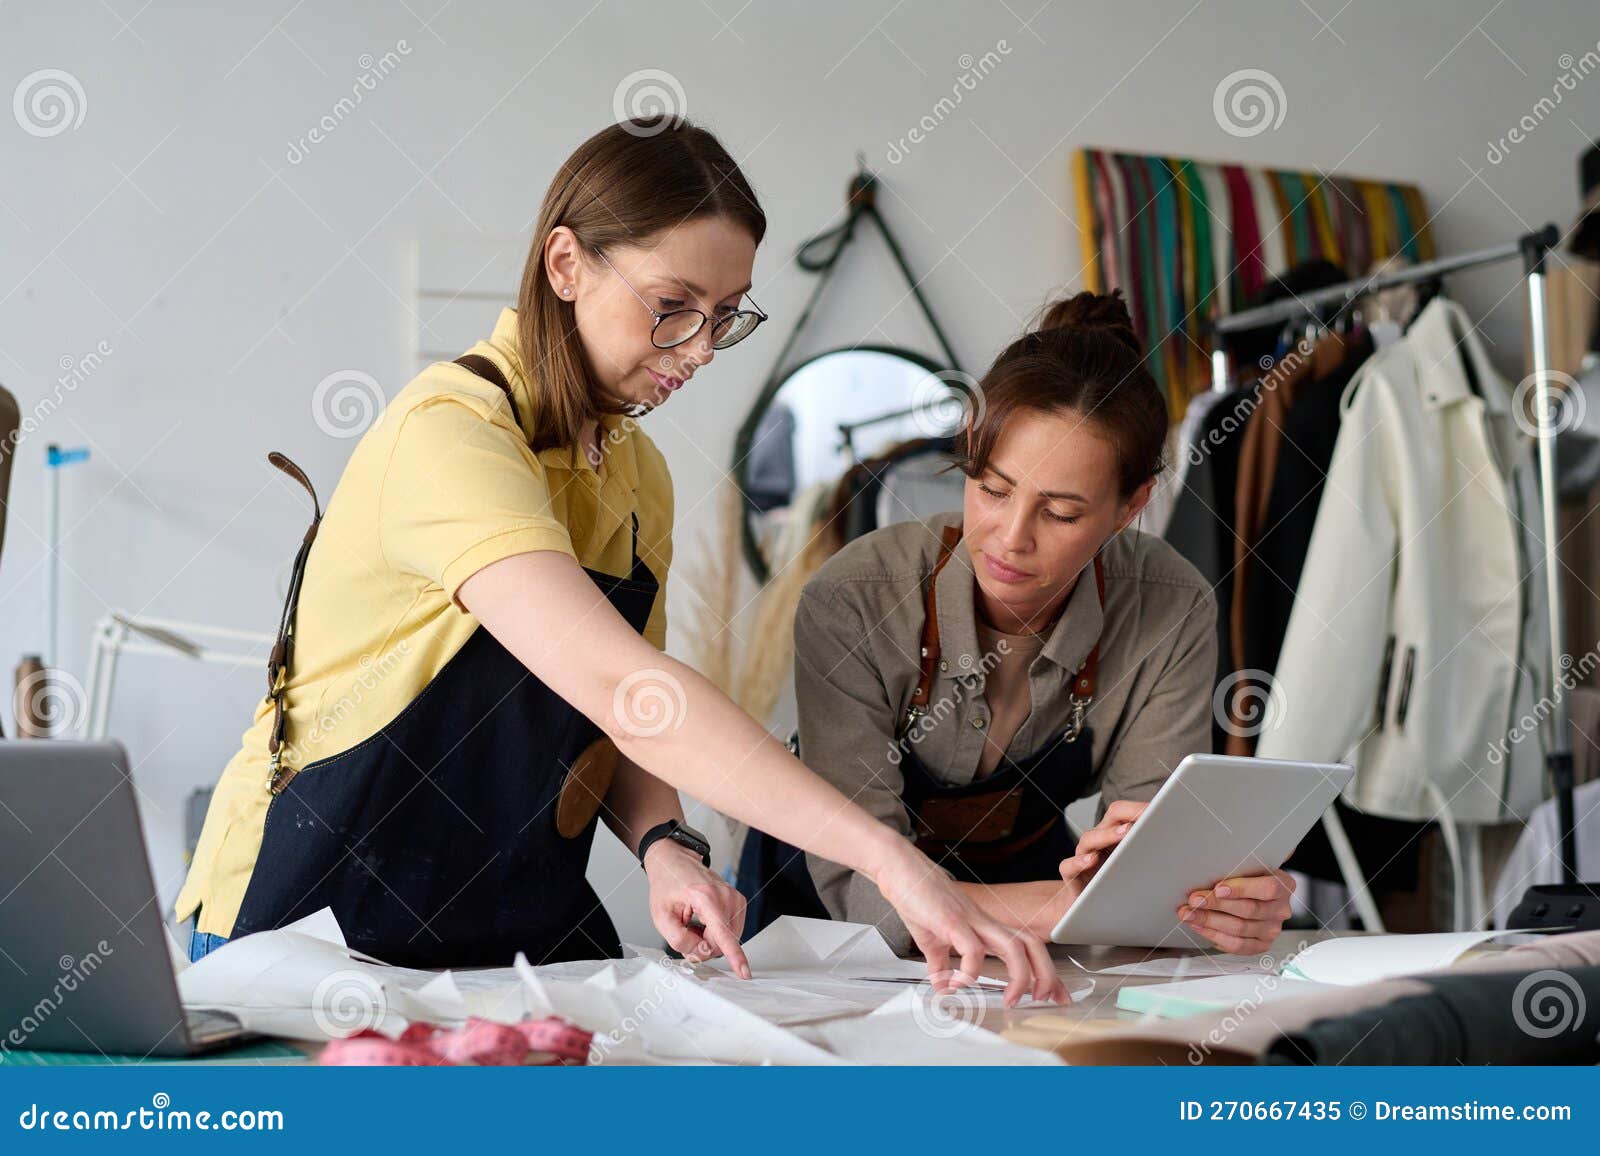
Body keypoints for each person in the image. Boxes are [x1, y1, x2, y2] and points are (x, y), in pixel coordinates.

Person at [174, 117, 1062, 1006]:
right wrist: (894, 862)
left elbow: (619, 718)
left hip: (498, 930)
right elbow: (625, 689)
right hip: (317, 926)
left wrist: (665, 845)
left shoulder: (638, 474)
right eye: (672, 306)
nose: (703, 348)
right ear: (566, 265)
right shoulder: (449, 435)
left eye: (724, 317)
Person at [795, 290, 1296, 956]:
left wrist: (1212, 904)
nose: (1010, 538)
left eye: (1061, 514)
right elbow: (861, 898)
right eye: (992, 490)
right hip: (814, 936)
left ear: (1131, 506)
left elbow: (1148, 867)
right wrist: (1077, 907)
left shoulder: (1171, 607)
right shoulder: (854, 598)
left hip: (1036, 923)